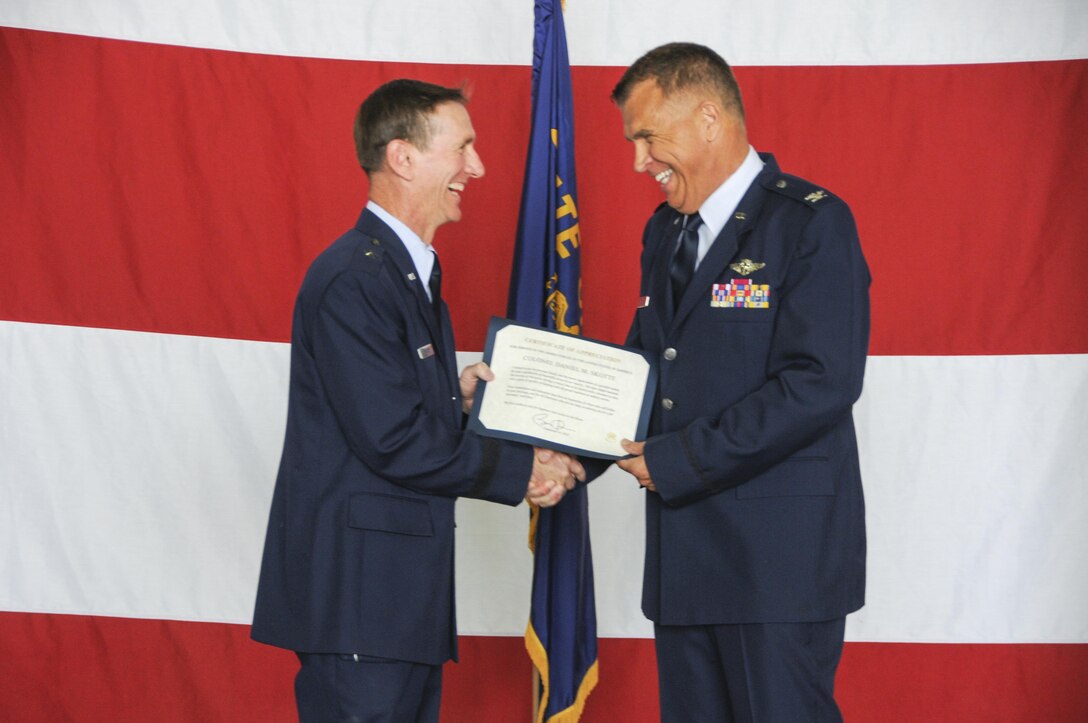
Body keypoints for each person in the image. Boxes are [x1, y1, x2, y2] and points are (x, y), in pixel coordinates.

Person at [250, 79, 582, 723]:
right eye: (463, 148)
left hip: (391, 605)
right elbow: (392, 439)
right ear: (402, 158)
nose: (477, 167)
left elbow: (383, 414)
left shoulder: (403, 274)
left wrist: (450, 399)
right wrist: (526, 470)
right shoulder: (357, 279)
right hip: (360, 607)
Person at [610, 43, 870, 721]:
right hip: (686, 560)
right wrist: (549, 432)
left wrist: (679, 458)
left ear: (707, 118)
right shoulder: (665, 232)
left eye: (646, 137)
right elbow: (644, 369)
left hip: (776, 568)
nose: (639, 161)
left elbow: (820, 382)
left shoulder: (811, 223)